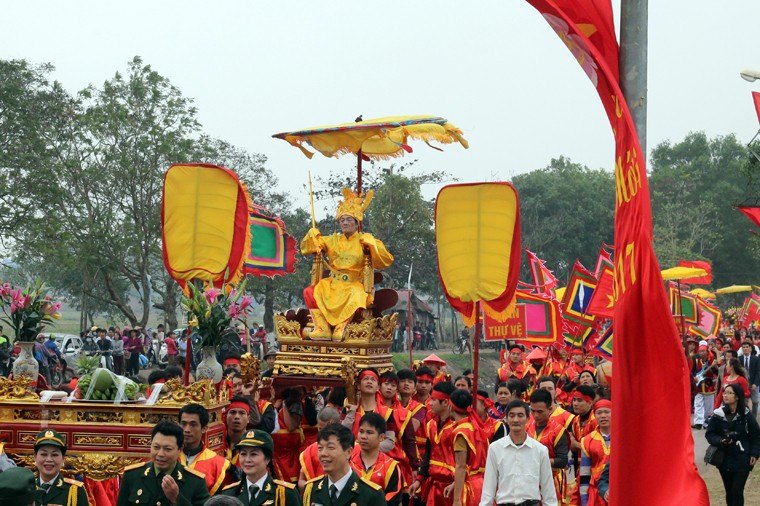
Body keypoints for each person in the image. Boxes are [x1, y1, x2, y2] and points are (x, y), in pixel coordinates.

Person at [300, 187, 394, 340]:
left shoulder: (365, 239)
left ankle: (340, 327)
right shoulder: (333, 239)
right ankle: (322, 328)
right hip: (332, 283)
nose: (345, 223)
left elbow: (386, 260)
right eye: (342, 220)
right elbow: (308, 248)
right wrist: (312, 236)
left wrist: (372, 245)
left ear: (357, 223)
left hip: (353, 284)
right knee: (310, 291)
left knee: (356, 295)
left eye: (349, 219)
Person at [479, 400, 558, 506]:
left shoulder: (540, 450)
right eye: (512, 416)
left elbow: (548, 489)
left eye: (520, 415)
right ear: (506, 419)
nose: (516, 420)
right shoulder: (495, 448)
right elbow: (489, 487)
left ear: (528, 419)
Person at [117, 420, 210, 506]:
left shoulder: (195, 482)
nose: (160, 454)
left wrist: (176, 498)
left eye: (167, 449)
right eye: (156, 447)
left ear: (180, 449)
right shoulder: (132, 475)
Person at [302, 424, 386, 506]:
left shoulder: (371, 494)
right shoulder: (311, 489)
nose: (323, 453)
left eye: (330, 447)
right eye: (320, 448)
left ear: (348, 452)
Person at [705, 383, 760, 506]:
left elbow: (756, 436)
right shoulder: (718, 415)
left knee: (737, 491)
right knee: (729, 491)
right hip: (724, 459)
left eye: (730, 393)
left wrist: (755, 454)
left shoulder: (746, 416)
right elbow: (710, 434)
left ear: (737, 397)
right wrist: (720, 441)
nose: (725, 395)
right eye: (725, 392)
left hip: (742, 458)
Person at [219, 429, 301, 505]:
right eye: (243, 454)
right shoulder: (229, 493)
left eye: (253, 454)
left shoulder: (285, 493)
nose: (247, 460)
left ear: (267, 459)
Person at [408, 382, 456, 506]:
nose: (430, 403)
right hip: (435, 486)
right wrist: (419, 480)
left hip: (453, 487)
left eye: (434, 400)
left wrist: (457, 483)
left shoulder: (458, 428)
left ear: (445, 402)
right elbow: (428, 457)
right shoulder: (431, 425)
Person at [179, 403, 235, 494]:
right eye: (183, 424)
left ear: (204, 428)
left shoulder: (217, 463)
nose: (186, 429)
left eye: (193, 425)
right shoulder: (169, 456)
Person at [350, 413, 402, 506]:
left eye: (369, 432)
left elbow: (392, 500)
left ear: (381, 437)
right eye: (361, 431)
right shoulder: (348, 461)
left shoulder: (391, 467)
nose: (363, 436)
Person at [528, 389, 569, 504]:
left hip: (552, 478)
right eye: (533, 411)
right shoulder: (527, 428)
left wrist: (539, 460)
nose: (536, 415)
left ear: (550, 409)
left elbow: (562, 461)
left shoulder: (558, 431)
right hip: (531, 478)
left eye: (540, 412)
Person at [33, 429, 89, 505]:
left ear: (63, 459)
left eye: (54, 455)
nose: (49, 459)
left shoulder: (74, 490)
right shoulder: (27, 488)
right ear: (35, 457)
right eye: (44, 454)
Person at [298, 406, 342, 489]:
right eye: (320, 429)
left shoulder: (349, 449)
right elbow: (301, 481)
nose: (323, 433)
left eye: (328, 429)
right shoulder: (310, 451)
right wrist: (318, 490)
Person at [578, 400, 611, 506]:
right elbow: (585, 473)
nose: (603, 416)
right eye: (599, 413)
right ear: (594, 415)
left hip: (618, 491)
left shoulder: (623, 438)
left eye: (606, 412)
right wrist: (584, 499)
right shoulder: (588, 440)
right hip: (595, 494)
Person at [738, 340, 760, 416]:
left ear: (750, 348)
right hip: (743, 384)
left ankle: (753, 417)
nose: (745, 349)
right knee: (744, 402)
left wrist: (755, 383)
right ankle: (745, 417)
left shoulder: (756, 359)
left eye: (747, 347)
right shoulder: (739, 359)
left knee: (755, 401)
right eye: (743, 347)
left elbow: (758, 372)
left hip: (753, 382)